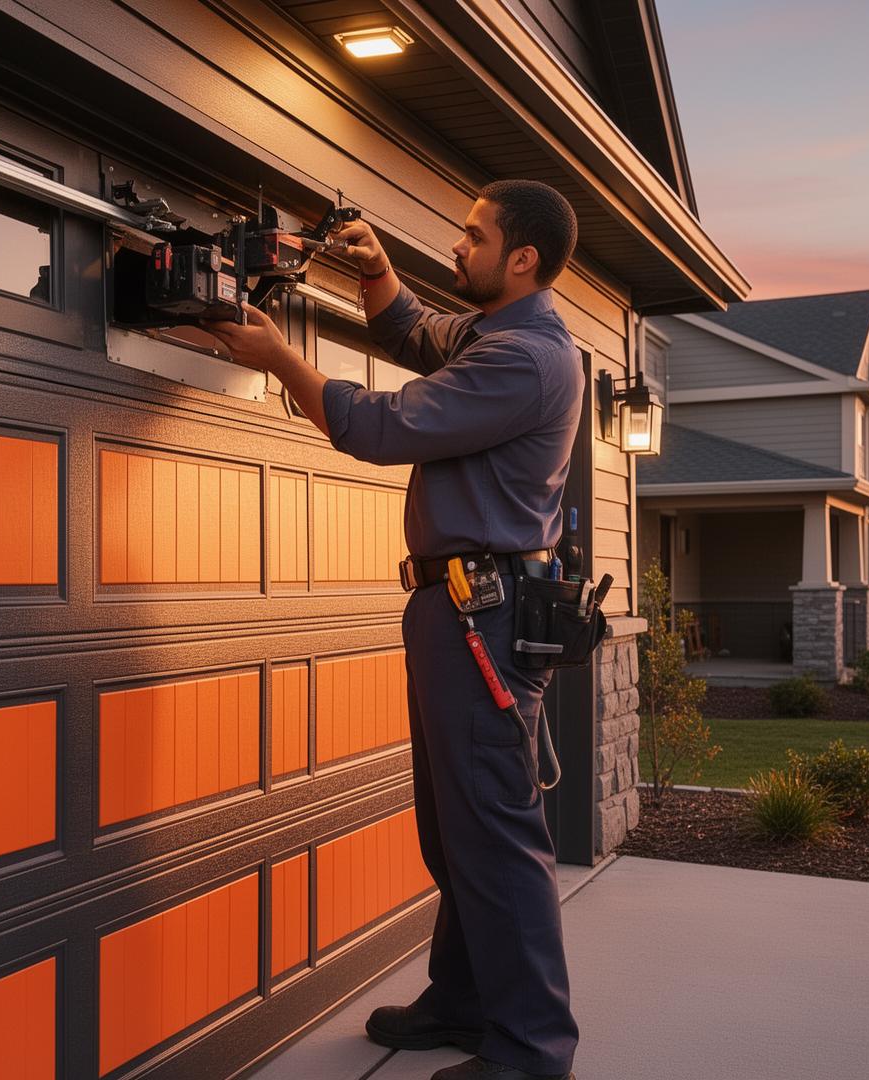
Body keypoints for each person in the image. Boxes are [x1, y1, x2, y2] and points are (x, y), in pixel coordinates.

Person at [204, 179, 584, 1080]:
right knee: (457, 828)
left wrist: (281, 359)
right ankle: (464, 1001)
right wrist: (375, 272)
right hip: (461, 608)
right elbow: (416, 332)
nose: (457, 245)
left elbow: (381, 427)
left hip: (482, 615)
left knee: (494, 833)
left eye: (473, 236)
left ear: (522, 257)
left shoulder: (527, 360)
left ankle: (532, 1052)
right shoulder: (497, 333)